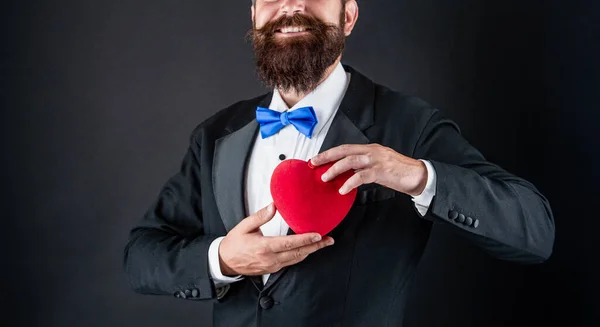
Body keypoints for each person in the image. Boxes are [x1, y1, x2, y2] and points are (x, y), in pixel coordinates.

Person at [122, 0, 555, 326]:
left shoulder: (408, 125)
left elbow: (535, 232)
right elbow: (141, 254)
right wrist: (224, 260)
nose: (291, 6)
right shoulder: (215, 134)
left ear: (347, 16)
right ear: (253, 16)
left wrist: (418, 177)